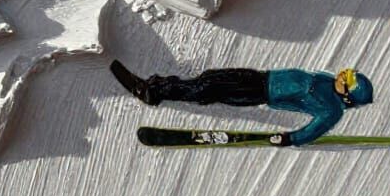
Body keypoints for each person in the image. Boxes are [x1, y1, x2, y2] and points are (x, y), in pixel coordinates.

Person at [110, 58, 373, 145]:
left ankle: (151, 91)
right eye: (347, 72)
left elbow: (313, 131)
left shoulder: (331, 111)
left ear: (348, 94)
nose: (342, 74)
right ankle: (155, 88)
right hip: (259, 77)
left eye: (347, 79)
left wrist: (290, 139)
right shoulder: (331, 85)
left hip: (258, 93)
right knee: (210, 79)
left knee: (207, 89)